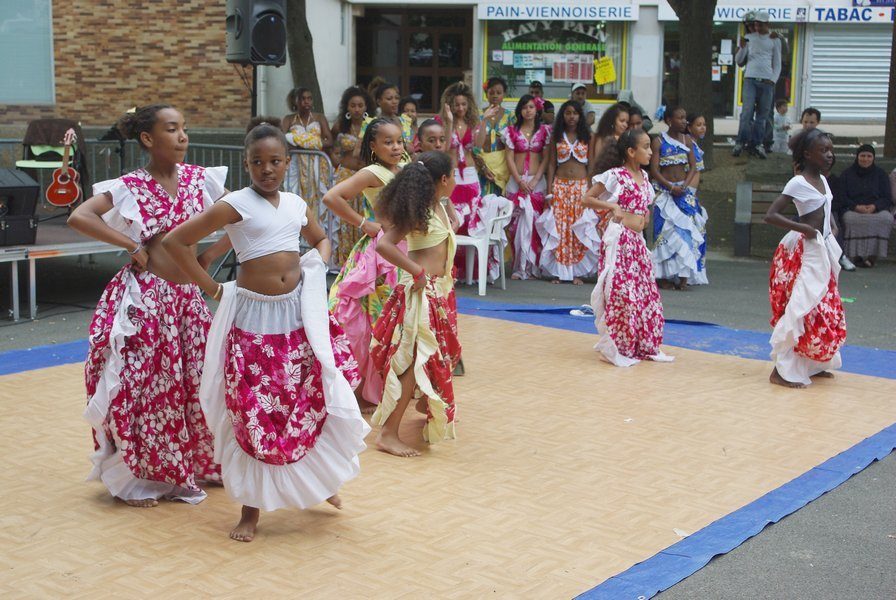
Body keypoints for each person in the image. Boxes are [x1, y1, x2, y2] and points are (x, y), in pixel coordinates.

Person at [163, 120, 369, 542]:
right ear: (247, 164)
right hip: (252, 321)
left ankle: (320, 484)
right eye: (258, 162)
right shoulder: (235, 203)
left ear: (287, 162)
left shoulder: (295, 203)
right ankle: (250, 511)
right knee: (255, 414)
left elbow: (321, 240)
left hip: (297, 319)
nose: (267, 169)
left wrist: (313, 266)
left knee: (305, 405)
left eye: (275, 161)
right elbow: (176, 242)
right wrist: (213, 289)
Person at [68, 104, 228, 507]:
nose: (182, 137)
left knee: (196, 383)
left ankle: (194, 464)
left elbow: (244, 216)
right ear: (147, 139)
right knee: (146, 389)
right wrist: (130, 243)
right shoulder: (131, 185)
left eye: (184, 129)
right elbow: (80, 216)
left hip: (188, 301)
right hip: (148, 299)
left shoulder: (199, 180)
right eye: (172, 130)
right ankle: (142, 474)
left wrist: (210, 256)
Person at [369, 153, 462, 457]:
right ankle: (388, 433)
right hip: (421, 296)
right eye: (453, 175)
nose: (456, 179)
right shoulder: (419, 211)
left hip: (438, 292)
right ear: (444, 180)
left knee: (437, 356)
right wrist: (417, 271)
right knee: (412, 364)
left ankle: (425, 402)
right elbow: (384, 244)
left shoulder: (439, 206)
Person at [323, 118, 406, 412]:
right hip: (381, 254)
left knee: (397, 319)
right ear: (373, 146)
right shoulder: (373, 172)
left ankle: (392, 385)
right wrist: (363, 223)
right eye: (388, 142)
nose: (396, 147)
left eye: (399, 140)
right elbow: (332, 197)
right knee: (373, 321)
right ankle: (360, 388)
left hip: (404, 250)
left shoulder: (404, 167)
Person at [584, 129, 673, 367]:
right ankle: (615, 346)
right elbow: (587, 198)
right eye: (646, 147)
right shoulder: (616, 175)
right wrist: (611, 206)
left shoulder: (645, 179)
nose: (651, 151)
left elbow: (645, 211)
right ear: (631, 152)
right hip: (620, 239)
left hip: (637, 242)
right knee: (621, 293)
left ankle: (644, 345)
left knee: (644, 294)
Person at [764, 128, 846, 388]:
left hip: (824, 249)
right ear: (808, 154)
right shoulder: (798, 183)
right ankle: (783, 370)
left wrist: (831, 228)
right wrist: (805, 229)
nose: (830, 155)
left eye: (831, 150)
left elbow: (825, 209)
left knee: (822, 308)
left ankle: (814, 363)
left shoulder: (823, 180)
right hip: (809, 253)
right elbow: (771, 215)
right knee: (802, 306)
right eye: (824, 151)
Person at [537, 100, 599, 285]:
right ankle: (559, 272)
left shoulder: (589, 136)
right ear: (562, 116)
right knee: (561, 228)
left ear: (580, 116)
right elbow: (550, 164)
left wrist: (590, 190)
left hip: (581, 187)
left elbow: (592, 164)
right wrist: (549, 191)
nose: (571, 116)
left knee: (577, 228)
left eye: (575, 113)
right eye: (567, 113)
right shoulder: (556, 136)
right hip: (560, 186)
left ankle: (576, 273)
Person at [651, 106, 708, 288]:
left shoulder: (687, 141)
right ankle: (664, 276)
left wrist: (685, 185)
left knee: (686, 234)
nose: (684, 121)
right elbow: (654, 170)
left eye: (685, 118)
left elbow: (693, 166)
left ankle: (683, 276)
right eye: (680, 118)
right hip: (666, 194)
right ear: (669, 120)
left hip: (683, 193)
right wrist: (669, 186)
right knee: (665, 233)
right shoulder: (659, 141)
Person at [504, 94, 552, 280]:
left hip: (536, 182)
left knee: (535, 225)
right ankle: (518, 266)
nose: (528, 110)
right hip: (517, 182)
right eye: (524, 107)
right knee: (515, 226)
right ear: (520, 110)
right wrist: (519, 180)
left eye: (531, 107)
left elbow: (546, 157)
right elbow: (509, 157)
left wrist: (535, 179)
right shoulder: (511, 131)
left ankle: (534, 267)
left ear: (536, 109)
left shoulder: (544, 131)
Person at [329, 87, 375, 266]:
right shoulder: (341, 125)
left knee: (365, 215)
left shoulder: (372, 125)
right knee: (346, 218)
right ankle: (346, 260)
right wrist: (335, 158)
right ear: (347, 107)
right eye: (353, 105)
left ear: (366, 107)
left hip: (365, 176)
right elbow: (330, 145)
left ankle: (364, 260)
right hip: (346, 175)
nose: (357, 109)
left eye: (360, 105)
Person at [732, 10, 781, 159]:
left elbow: (777, 63)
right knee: (747, 112)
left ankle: (759, 143)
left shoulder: (774, 38)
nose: (756, 27)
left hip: (767, 81)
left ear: (766, 24)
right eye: (754, 25)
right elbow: (739, 60)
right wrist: (741, 47)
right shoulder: (748, 38)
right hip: (750, 79)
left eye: (759, 24)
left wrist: (772, 80)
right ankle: (740, 142)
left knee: (763, 115)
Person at [835, 144, 894, 268]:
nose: (865, 159)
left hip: (875, 209)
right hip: (853, 209)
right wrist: (856, 207)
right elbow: (842, 196)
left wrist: (875, 206)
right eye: (862, 156)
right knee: (850, 219)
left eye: (869, 156)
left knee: (886, 218)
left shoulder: (881, 174)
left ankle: (873, 256)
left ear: (873, 158)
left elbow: (887, 197)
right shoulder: (847, 174)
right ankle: (856, 256)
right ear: (857, 157)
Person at [282, 88, 333, 217]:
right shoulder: (289, 119)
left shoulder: (319, 118)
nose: (306, 101)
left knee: (317, 195)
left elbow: (330, 141)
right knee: (296, 195)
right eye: (303, 98)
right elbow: (281, 140)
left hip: (317, 164)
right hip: (296, 164)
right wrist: (311, 145)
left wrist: (303, 144)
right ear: (296, 101)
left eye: (309, 98)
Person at [477, 77, 514, 196]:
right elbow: (474, 143)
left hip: (502, 165)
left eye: (499, 93)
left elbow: (513, 143)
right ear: (486, 94)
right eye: (491, 92)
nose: (495, 96)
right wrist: (482, 166)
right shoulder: (478, 114)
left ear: (504, 94)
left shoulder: (510, 116)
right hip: (482, 163)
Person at [590, 103, 629, 168]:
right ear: (612, 120)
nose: (625, 125)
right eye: (622, 121)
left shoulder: (625, 139)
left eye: (627, 122)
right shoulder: (602, 138)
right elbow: (597, 162)